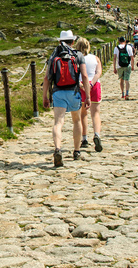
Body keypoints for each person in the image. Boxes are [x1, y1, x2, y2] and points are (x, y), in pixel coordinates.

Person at [42, 30, 91, 167]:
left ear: (60, 42)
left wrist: (45, 96)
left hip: (58, 92)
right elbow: (85, 77)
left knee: (58, 122)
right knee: (76, 120)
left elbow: (47, 78)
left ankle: (57, 149)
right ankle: (76, 151)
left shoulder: (54, 56)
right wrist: (87, 96)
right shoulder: (78, 55)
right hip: (74, 91)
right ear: (73, 42)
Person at [76, 37, 103, 152]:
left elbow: (75, 74)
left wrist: (82, 85)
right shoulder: (95, 58)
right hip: (94, 85)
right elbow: (99, 72)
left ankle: (84, 138)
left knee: (83, 114)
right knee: (95, 113)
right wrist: (92, 82)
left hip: (82, 85)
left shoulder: (76, 59)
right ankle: (97, 134)